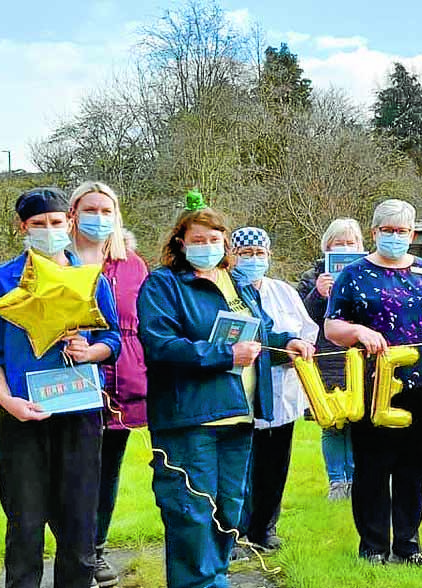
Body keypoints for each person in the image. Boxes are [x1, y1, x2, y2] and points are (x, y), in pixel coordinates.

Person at [136, 198, 314, 588]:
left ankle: (216, 579)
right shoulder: (163, 284)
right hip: (190, 418)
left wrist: (289, 345)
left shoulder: (238, 285)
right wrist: (224, 354)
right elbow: (160, 345)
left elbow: (261, 334)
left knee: (227, 510)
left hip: (239, 415)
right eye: (198, 238)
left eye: (216, 238)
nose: (208, 245)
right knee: (192, 511)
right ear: (180, 242)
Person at [0, 187, 121, 588]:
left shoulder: (91, 279)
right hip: (20, 416)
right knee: (24, 522)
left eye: (56, 222)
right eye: (38, 224)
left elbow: (113, 340)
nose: (49, 229)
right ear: (23, 227)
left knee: (78, 524)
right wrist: (7, 401)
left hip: (79, 413)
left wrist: (90, 351)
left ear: (69, 223)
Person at [325, 199, 422, 566]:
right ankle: (373, 546)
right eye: (387, 230)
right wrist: (357, 330)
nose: (395, 237)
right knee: (372, 466)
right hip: (374, 386)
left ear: (412, 233)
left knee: (414, 467)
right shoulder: (354, 274)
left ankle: (408, 543)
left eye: (402, 231)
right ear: (374, 233)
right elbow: (332, 325)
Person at [69, 181, 149, 587]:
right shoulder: (54, 260)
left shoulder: (132, 264)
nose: (98, 218)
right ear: (73, 212)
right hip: (66, 378)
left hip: (122, 379)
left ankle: (95, 549)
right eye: (90, 209)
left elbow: (141, 324)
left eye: (106, 211)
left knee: (106, 471)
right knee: (69, 470)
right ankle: (71, 547)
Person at [231, 227, 318, 550]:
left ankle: (266, 527)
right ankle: (235, 530)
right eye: (246, 254)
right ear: (234, 256)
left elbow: (307, 331)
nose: (253, 260)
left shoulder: (284, 291)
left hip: (282, 391)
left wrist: (299, 346)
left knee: (275, 465)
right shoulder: (228, 292)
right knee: (241, 467)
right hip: (244, 391)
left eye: (259, 254)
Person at [298, 218, 362, 501]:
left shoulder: (368, 272)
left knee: (359, 421)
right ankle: (338, 481)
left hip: (360, 358)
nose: (345, 248)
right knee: (332, 423)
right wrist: (317, 293)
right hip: (326, 358)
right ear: (327, 247)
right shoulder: (312, 277)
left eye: (351, 243)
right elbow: (300, 318)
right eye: (339, 243)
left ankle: (358, 478)